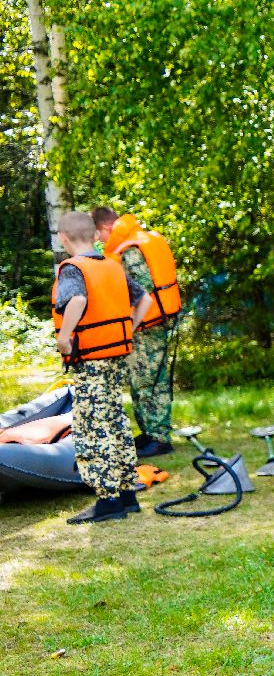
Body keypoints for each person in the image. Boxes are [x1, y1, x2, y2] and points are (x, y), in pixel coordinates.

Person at [53, 210, 155, 524]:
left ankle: (107, 500)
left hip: (92, 361)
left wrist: (65, 338)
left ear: (63, 239)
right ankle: (127, 494)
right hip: (116, 355)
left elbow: (78, 301)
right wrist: (129, 328)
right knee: (116, 422)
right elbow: (145, 300)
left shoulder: (73, 269)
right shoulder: (111, 265)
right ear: (96, 237)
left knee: (92, 427)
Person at [93, 207, 181, 457]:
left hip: (147, 326)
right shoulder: (137, 242)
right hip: (148, 324)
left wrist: (128, 327)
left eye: (100, 234)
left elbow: (141, 293)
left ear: (107, 227)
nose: (100, 240)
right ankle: (149, 433)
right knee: (142, 380)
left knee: (149, 382)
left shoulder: (130, 249)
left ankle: (160, 438)